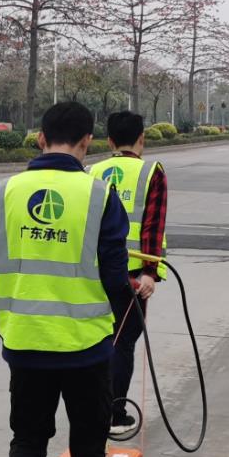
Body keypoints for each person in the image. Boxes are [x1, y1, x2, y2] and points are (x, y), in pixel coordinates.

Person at [0, 101, 133, 457]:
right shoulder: (99, 194)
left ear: (40, 138)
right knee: (88, 449)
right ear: (88, 143)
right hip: (85, 348)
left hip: (25, 344)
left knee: (28, 439)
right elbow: (114, 278)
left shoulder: (2, 192)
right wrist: (133, 323)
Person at [88, 112, 169, 435]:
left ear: (108, 141)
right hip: (133, 276)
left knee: (99, 338)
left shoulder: (91, 170)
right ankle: (114, 412)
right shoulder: (151, 172)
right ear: (142, 139)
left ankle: (94, 408)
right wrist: (150, 271)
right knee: (123, 344)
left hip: (94, 273)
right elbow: (152, 224)